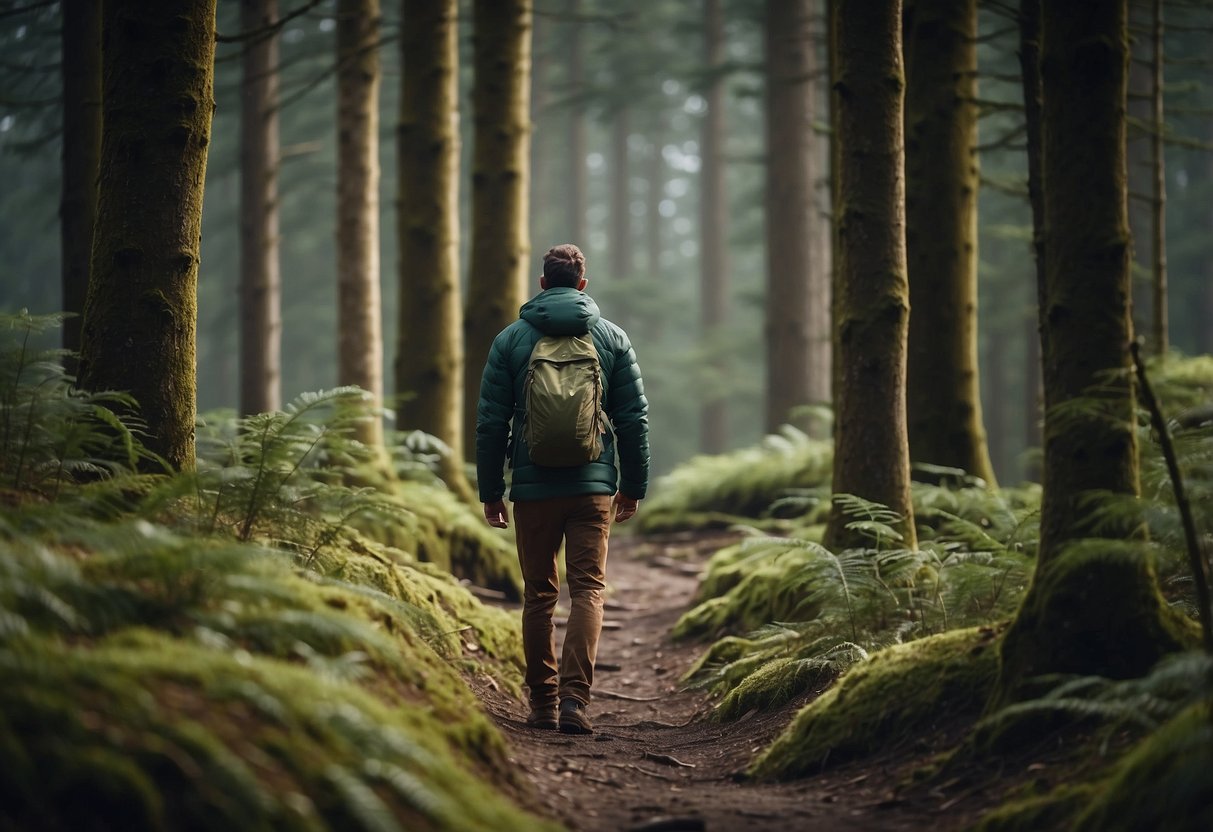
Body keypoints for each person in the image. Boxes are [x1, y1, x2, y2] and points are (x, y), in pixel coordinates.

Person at [476, 243, 649, 735]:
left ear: (541, 284)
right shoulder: (612, 338)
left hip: (532, 491)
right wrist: (633, 486)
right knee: (588, 590)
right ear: (583, 285)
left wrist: (491, 491)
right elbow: (633, 419)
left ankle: (543, 703)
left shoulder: (510, 340)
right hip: (592, 488)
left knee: (538, 595)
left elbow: (491, 424)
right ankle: (576, 700)